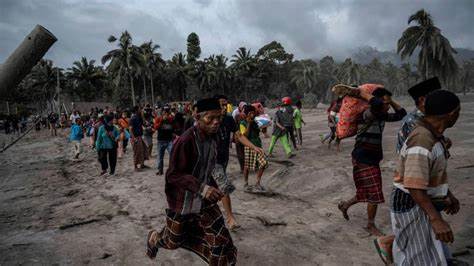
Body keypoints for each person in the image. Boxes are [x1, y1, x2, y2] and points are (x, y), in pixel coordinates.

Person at [146, 98, 237, 265]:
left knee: (220, 240)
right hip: (183, 200)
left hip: (204, 200)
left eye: (219, 118)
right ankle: (154, 238)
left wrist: (218, 187)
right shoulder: (185, 141)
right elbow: (173, 175)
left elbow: (209, 167)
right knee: (173, 241)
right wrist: (202, 188)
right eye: (210, 118)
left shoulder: (213, 137)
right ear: (198, 117)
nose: (216, 122)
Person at [373, 77, 442, 264]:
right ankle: (387, 242)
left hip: (417, 175)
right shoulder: (415, 123)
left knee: (419, 231)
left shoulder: (420, 119)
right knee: (415, 234)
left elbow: (399, 112)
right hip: (413, 178)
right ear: (422, 100)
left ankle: (389, 243)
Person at [390, 90, 461, 265]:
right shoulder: (422, 140)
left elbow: (429, 173)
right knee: (418, 257)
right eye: (458, 112)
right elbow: (414, 185)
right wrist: (436, 219)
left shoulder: (431, 136)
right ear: (451, 114)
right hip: (412, 201)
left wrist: (447, 195)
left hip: (420, 200)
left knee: (428, 250)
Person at [337, 86, 407, 236]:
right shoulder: (367, 114)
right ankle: (370, 225)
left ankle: (345, 205)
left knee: (365, 191)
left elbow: (401, 114)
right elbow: (375, 105)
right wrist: (363, 94)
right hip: (363, 157)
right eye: (385, 103)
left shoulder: (381, 115)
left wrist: (390, 100)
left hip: (371, 158)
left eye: (388, 104)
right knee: (375, 193)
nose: (387, 107)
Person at [214, 95, 265, 230]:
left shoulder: (229, 119)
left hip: (223, 159)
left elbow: (239, 136)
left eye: (226, 104)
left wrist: (254, 147)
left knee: (215, 187)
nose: (224, 107)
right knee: (224, 186)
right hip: (211, 161)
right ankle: (230, 218)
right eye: (221, 105)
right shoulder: (209, 120)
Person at [240, 105, 268, 191]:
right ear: (246, 114)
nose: (252, 114)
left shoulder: (257, 121)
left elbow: (263, 132)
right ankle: (245, 183)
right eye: (250, 113)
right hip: (248, 146)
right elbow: (245, 136)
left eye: (253, 112)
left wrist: (264, 125)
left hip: (258, 145)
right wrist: (249, 123)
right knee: (247, 166)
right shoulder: (242, 123)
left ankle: (257, 183)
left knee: (263, 163)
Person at [154, 106, 175, 176]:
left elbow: (174, 128)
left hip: (169, 140)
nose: (165, 113)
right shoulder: (158, 118)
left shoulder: (171, 119)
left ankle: (173, 170)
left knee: (172, 155)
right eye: (164, 111)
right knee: (160, 157)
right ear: (162, 112)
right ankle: (160, 171)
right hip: (161, 141)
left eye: (167, 111)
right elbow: (156, 127)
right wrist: (162, 120)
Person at [129, 106, 149, 170]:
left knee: (143, 150)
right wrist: (134, 138)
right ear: (136, 110)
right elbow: (130, 129)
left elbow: (144, 123)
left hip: (140, 136)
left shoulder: (138, 117)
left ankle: (142, 164)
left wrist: (142, 115)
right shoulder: (132, 118)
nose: (141, 110)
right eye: (139, 109)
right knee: (137, 152)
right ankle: (135, 166)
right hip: (135, 137)